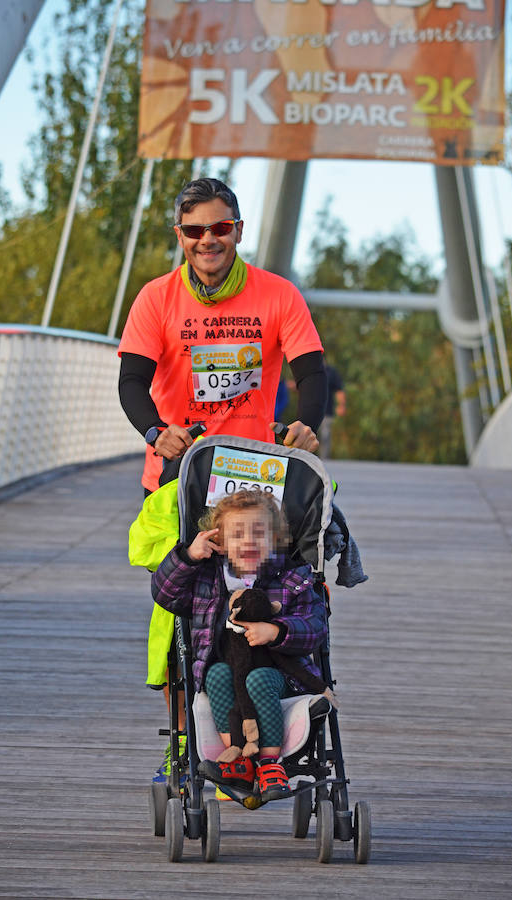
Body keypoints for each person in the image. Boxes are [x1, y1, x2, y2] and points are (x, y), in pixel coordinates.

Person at [117, 177, 327, 783]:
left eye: (221, 228)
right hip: (179, 478)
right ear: (179, 236)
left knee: (280, 593)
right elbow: (132, 382)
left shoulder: (277, 295)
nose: (208, 241)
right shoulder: (157, 299)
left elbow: (311, 374)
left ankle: (274, 729)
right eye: (195, 230)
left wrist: (306, 426)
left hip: (257, 480)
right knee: (177, 616)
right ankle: (183, 744)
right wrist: (157, 432)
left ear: (238, 229)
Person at [151, 489, 328, 802]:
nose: (248, 541)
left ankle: (269, 763)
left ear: (275, 539)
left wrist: (276, 630)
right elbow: (166, 594)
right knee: (216, 675)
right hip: (227, 674)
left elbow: (314, 627)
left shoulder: (292, 579)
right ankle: (240, 758)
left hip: (280, 677)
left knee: (258, 679)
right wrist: (187, 557)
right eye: (237, 534)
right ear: (220, 542)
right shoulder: (207, 578)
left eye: (259, 533)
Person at [318, 363, 346, 460]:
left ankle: (324, 460)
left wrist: (341, 405)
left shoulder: (330, 372)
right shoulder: (309, 368)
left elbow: (339, 390)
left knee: (325, 436)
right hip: (309, 411)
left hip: (326, 411)